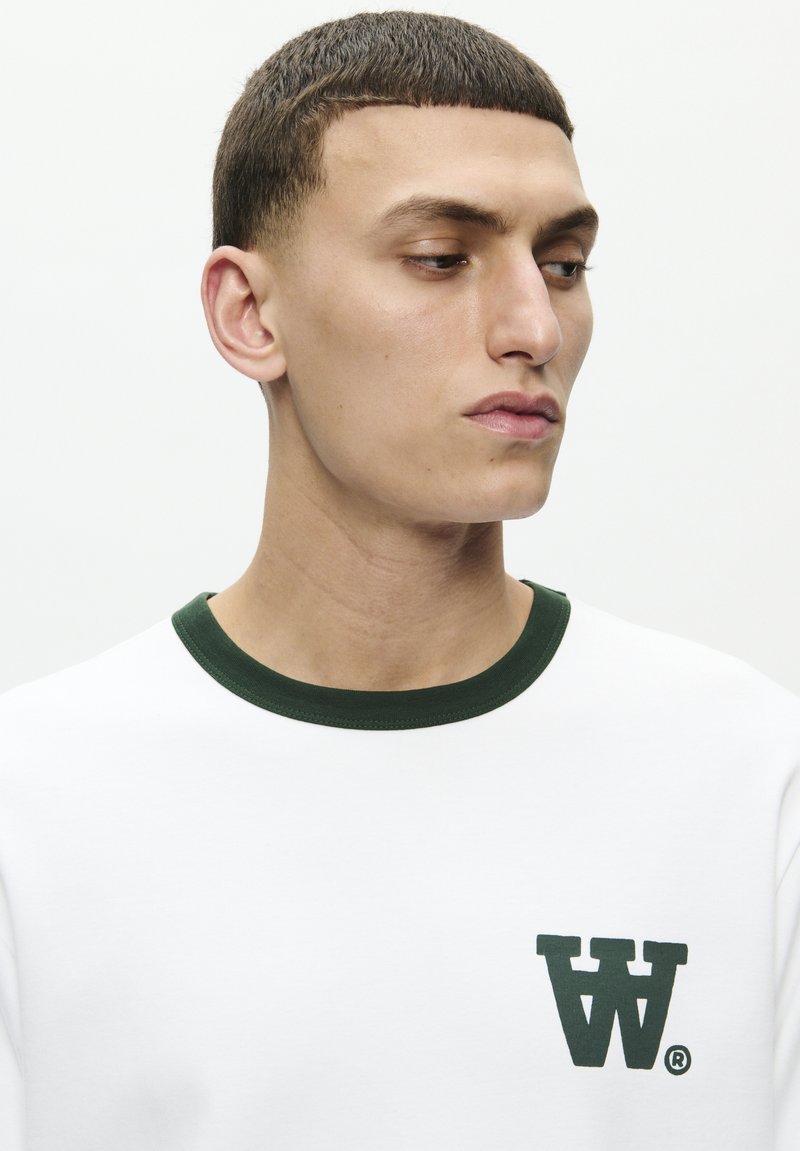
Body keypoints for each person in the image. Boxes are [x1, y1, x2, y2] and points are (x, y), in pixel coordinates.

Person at [0, 9, 797, 1149]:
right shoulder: (34, 803)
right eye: (440, 258)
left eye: (563, 265)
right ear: (249, 312)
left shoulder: (751, 777)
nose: (533, 326)